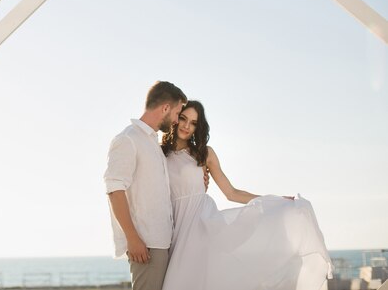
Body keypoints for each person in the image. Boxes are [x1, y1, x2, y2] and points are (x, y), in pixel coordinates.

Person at [161, 100, 333, 290]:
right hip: (174, 228)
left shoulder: (204, 154)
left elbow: (231, 193)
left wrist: (272, 200)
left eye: (193, 122)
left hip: (201, 227)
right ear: (175, 118)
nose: (187, 126)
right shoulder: (159, 153)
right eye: (184, 118)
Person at [103, 81, 187, 290]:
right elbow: (114, 189)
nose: (177, 121)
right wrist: (132, 238)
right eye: (177, 113)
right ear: (165, 108)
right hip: (146, 244)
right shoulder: (128, 139)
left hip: (162, 241)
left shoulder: (152, 143)